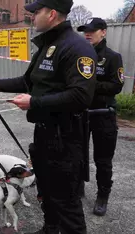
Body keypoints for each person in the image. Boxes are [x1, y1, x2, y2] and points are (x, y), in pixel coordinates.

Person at [0, 0, 97, 233]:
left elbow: (81, 96)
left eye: (36, 12)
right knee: (48, 193)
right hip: (44, 134)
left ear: (52, 14)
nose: (32, 16)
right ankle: (50, 229)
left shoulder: (76, 48)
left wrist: (34, 101)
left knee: (66, 201)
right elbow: (27, 81)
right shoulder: (47, 45)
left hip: (66, 136)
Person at [77, 18, 124, 216]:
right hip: (80, 113)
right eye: (85, 30)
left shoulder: (112, 57)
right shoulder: (78, 54)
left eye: (93, 30)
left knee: (103, 160)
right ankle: (77, 187)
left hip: (103, 114)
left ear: (103, 32)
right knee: (77, 154)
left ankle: (102, 196)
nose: (88, 34)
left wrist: (91, 85)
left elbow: (117, 85)